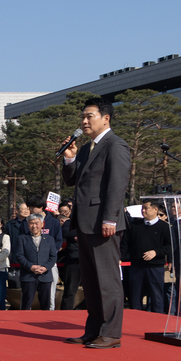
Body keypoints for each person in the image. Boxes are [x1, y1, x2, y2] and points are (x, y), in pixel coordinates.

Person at [61, 99, 131, 347]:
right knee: (90, 280)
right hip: (85, 222)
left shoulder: (116, 145)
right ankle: (93, 330)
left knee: (107, 279)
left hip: (104, 221)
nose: (84, 121)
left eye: (90, 116)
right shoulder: (85, 148)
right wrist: (69, 159)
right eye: (83, 117)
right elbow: (73, 182)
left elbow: (117, 184)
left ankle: (111, 333)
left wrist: (110, 217)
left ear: (106, 118)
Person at [127, 200, 170, 314]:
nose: (144, 211)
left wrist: (156, 252)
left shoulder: (164, 227)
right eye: (143, 208)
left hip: (155, 267)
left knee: (156, 296)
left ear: (156, 209)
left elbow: (170, 246)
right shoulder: (134, 226)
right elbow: (125, 244)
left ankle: (158, 320)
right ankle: (136, 319)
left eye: (146, 208)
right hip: (136, 267)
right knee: (135, 295)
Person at [14, 214, 58, 312]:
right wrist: (31, 267)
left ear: (42, 224)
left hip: (45, 275)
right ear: (28, 224)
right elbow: (19, 256)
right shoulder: (22, 238)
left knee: (46, 304)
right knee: (26, 303)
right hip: (28, 275)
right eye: (31, 223)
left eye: (36, 223)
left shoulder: (50, 239)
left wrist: (45, 267)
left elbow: (53, 256)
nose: (34, 226)